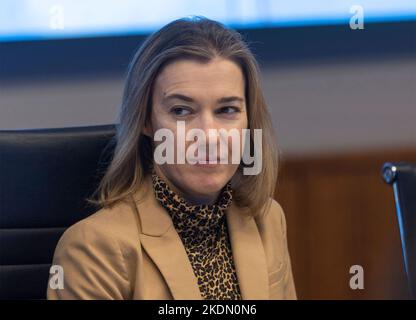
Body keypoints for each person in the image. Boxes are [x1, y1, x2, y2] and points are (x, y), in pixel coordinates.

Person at [47, 16, 296, 300]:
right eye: (181, 111)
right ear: (146, 121)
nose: (209, 136)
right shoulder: (94, 248)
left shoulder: (267, 219)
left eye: (227, 110)